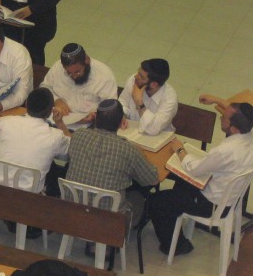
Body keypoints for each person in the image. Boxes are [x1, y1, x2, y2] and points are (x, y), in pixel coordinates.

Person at [150, 97, 253, 256]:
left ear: (234, 128)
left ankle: (179, 246)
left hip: (210, 205)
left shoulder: (226, 151)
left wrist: (180, 149)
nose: (221, 117)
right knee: (180, 181)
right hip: (229, 198)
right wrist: (216, 100)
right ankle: (175, 215)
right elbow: (237, 114)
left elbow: (195, 170)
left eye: (224, 117)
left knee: (157, 201)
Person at [0, 88, 70, 237]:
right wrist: (60, 122)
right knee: (55, 172)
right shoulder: (55, 136)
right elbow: (68, 154)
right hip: (28, 199)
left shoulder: (5, 122)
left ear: (27, 104)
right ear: (50, 111)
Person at [65, 99, 159, 232]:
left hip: (72, 211)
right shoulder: (128, 149)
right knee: (138, 197)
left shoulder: (78, 135)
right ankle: (112, 238)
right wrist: (141, 153)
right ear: (121, 122)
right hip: (108, 222)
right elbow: (153, 179)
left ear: (96, 118)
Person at [40, 43, 117, 130]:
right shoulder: (57, 67)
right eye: (69, 73)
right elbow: (44, 88)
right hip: (53, 121)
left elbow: (111, 108)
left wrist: (95, 116)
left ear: (87, 60)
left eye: (77, 72)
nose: (74, 77)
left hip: (87, 127)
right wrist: (56, 100)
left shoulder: (104, 75)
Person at [118, 58, 178, 135]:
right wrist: (122, 115)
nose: (136, 76)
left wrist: (140, 104)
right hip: (131, 131)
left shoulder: (170, 99)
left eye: (142, 77)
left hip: (157, 137)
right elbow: (122, 101)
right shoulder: (134, 80)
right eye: (138, 72)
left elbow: (153, 129)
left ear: (154, 85)